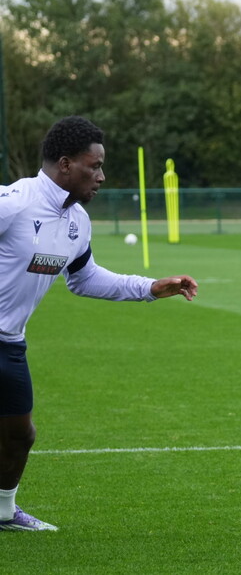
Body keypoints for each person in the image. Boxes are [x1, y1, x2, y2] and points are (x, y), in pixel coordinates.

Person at [0, 116, 199, 531]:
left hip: (10, 344)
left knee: (20, 435)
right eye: (95, 166)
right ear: (66, 164)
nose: (102, 176)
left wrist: (150, 287)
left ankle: (3, 512)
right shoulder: (14, 203)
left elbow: (84, 278)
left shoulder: (77, 222)